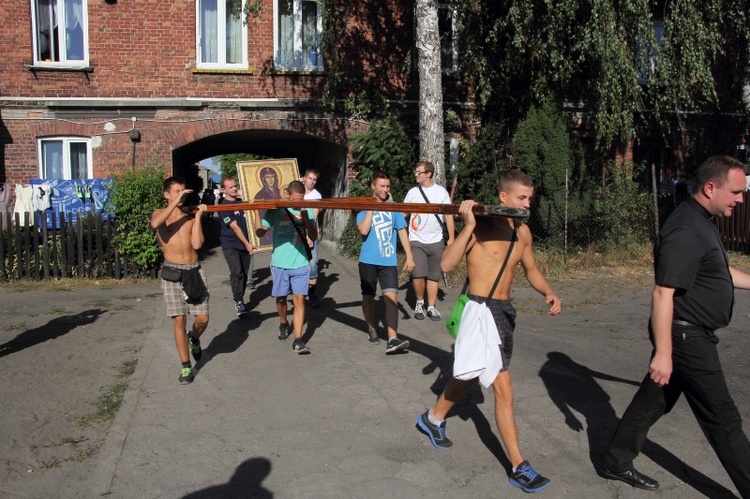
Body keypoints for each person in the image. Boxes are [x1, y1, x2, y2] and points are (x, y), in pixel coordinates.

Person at [600, 155, 750, 496]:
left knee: (655, 399)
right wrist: (664, 353)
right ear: (711, 188)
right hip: (687, 336)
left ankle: (615, 459)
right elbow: (662, 293)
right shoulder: (686, 228)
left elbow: (719, 273)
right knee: (723, 420)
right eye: (737, 192)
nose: (741, 199)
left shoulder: (703, 221)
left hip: (687, 333)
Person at [416, 168, 562, 493]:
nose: (527, 204)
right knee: (503, 389)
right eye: (521, 198)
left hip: (504, 313)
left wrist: (548, 291)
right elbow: (446, 265)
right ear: (503, 197)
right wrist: (468, 225)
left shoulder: (522, 234)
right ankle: (518, 466)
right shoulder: (480, 226)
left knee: (468, 375)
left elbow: (532, 269)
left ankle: (433, 417)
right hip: (480, 310)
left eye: (530, 199)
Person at [150, 176, 209, 385]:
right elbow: (155, 223)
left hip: (193, 270)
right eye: (177, 191)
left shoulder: (189, 217)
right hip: (172, 272)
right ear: (166, 194)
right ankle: (186, 366)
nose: (182, 194)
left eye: (184, 190)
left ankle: (194, 337)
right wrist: (175, 203)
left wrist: (199, 217)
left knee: (203, 319)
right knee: (179, 319)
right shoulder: (160, 215)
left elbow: (197, 243)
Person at [254, 180, 317, 354]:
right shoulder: (277, 210)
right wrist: (256, 214)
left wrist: (305, 218)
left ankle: (298, 339)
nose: (298, 203)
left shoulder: (307, 210)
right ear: (287, 194)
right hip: (280, 263)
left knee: (299, 300)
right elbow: (260, 232)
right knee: (281, 299)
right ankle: (283, 322)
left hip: (301, 262)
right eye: (295, 199)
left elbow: (314, 235)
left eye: (301, 199)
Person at [356, 170, 415, 353]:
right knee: (368, 297)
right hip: (368, 260)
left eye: (388, 186)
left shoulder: (393, 207)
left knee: (391, 297)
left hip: (388, 260)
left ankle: (392, 338)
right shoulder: (363, 206)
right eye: (382, 186)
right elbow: (364, 230)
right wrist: (373, 207)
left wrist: (409, 255)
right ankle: (372, 328)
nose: (385, 189)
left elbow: (402, 230)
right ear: (373, 186)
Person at [403, 160, 455, 321]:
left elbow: (448, 215)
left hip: (436, 239)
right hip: (416, 239)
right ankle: (420, 302)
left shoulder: (441, 192)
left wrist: (451, 238)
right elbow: (403, 213)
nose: (416, 175)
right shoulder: (412, 192)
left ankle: (431, 307)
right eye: (416, 172)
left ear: (428, 174)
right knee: (418, 273)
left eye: (419, 172)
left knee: (433, 275)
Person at [219, 176, 256, 316]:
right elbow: (234, 227)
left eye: (235, 186)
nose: (234, 189)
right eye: (231, 187)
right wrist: (247, 244)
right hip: (230, 244)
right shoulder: (223, 207)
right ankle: (239, 301)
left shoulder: (242, 203)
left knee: (245, 273)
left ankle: (240, 295)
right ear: (223, 190)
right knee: (237, 272)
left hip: (245, 244)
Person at [302, 169, 323, 307]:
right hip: (296, 232)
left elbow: (314, 216)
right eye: (309, 178)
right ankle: (299, 292)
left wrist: (311, 234)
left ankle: (312, 293)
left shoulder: (317, 195)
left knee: (313, 263)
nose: (312, 181)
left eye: (314, 179)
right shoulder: (297, 190)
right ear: (305, 178)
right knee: (299, 264)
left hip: (310, 231)